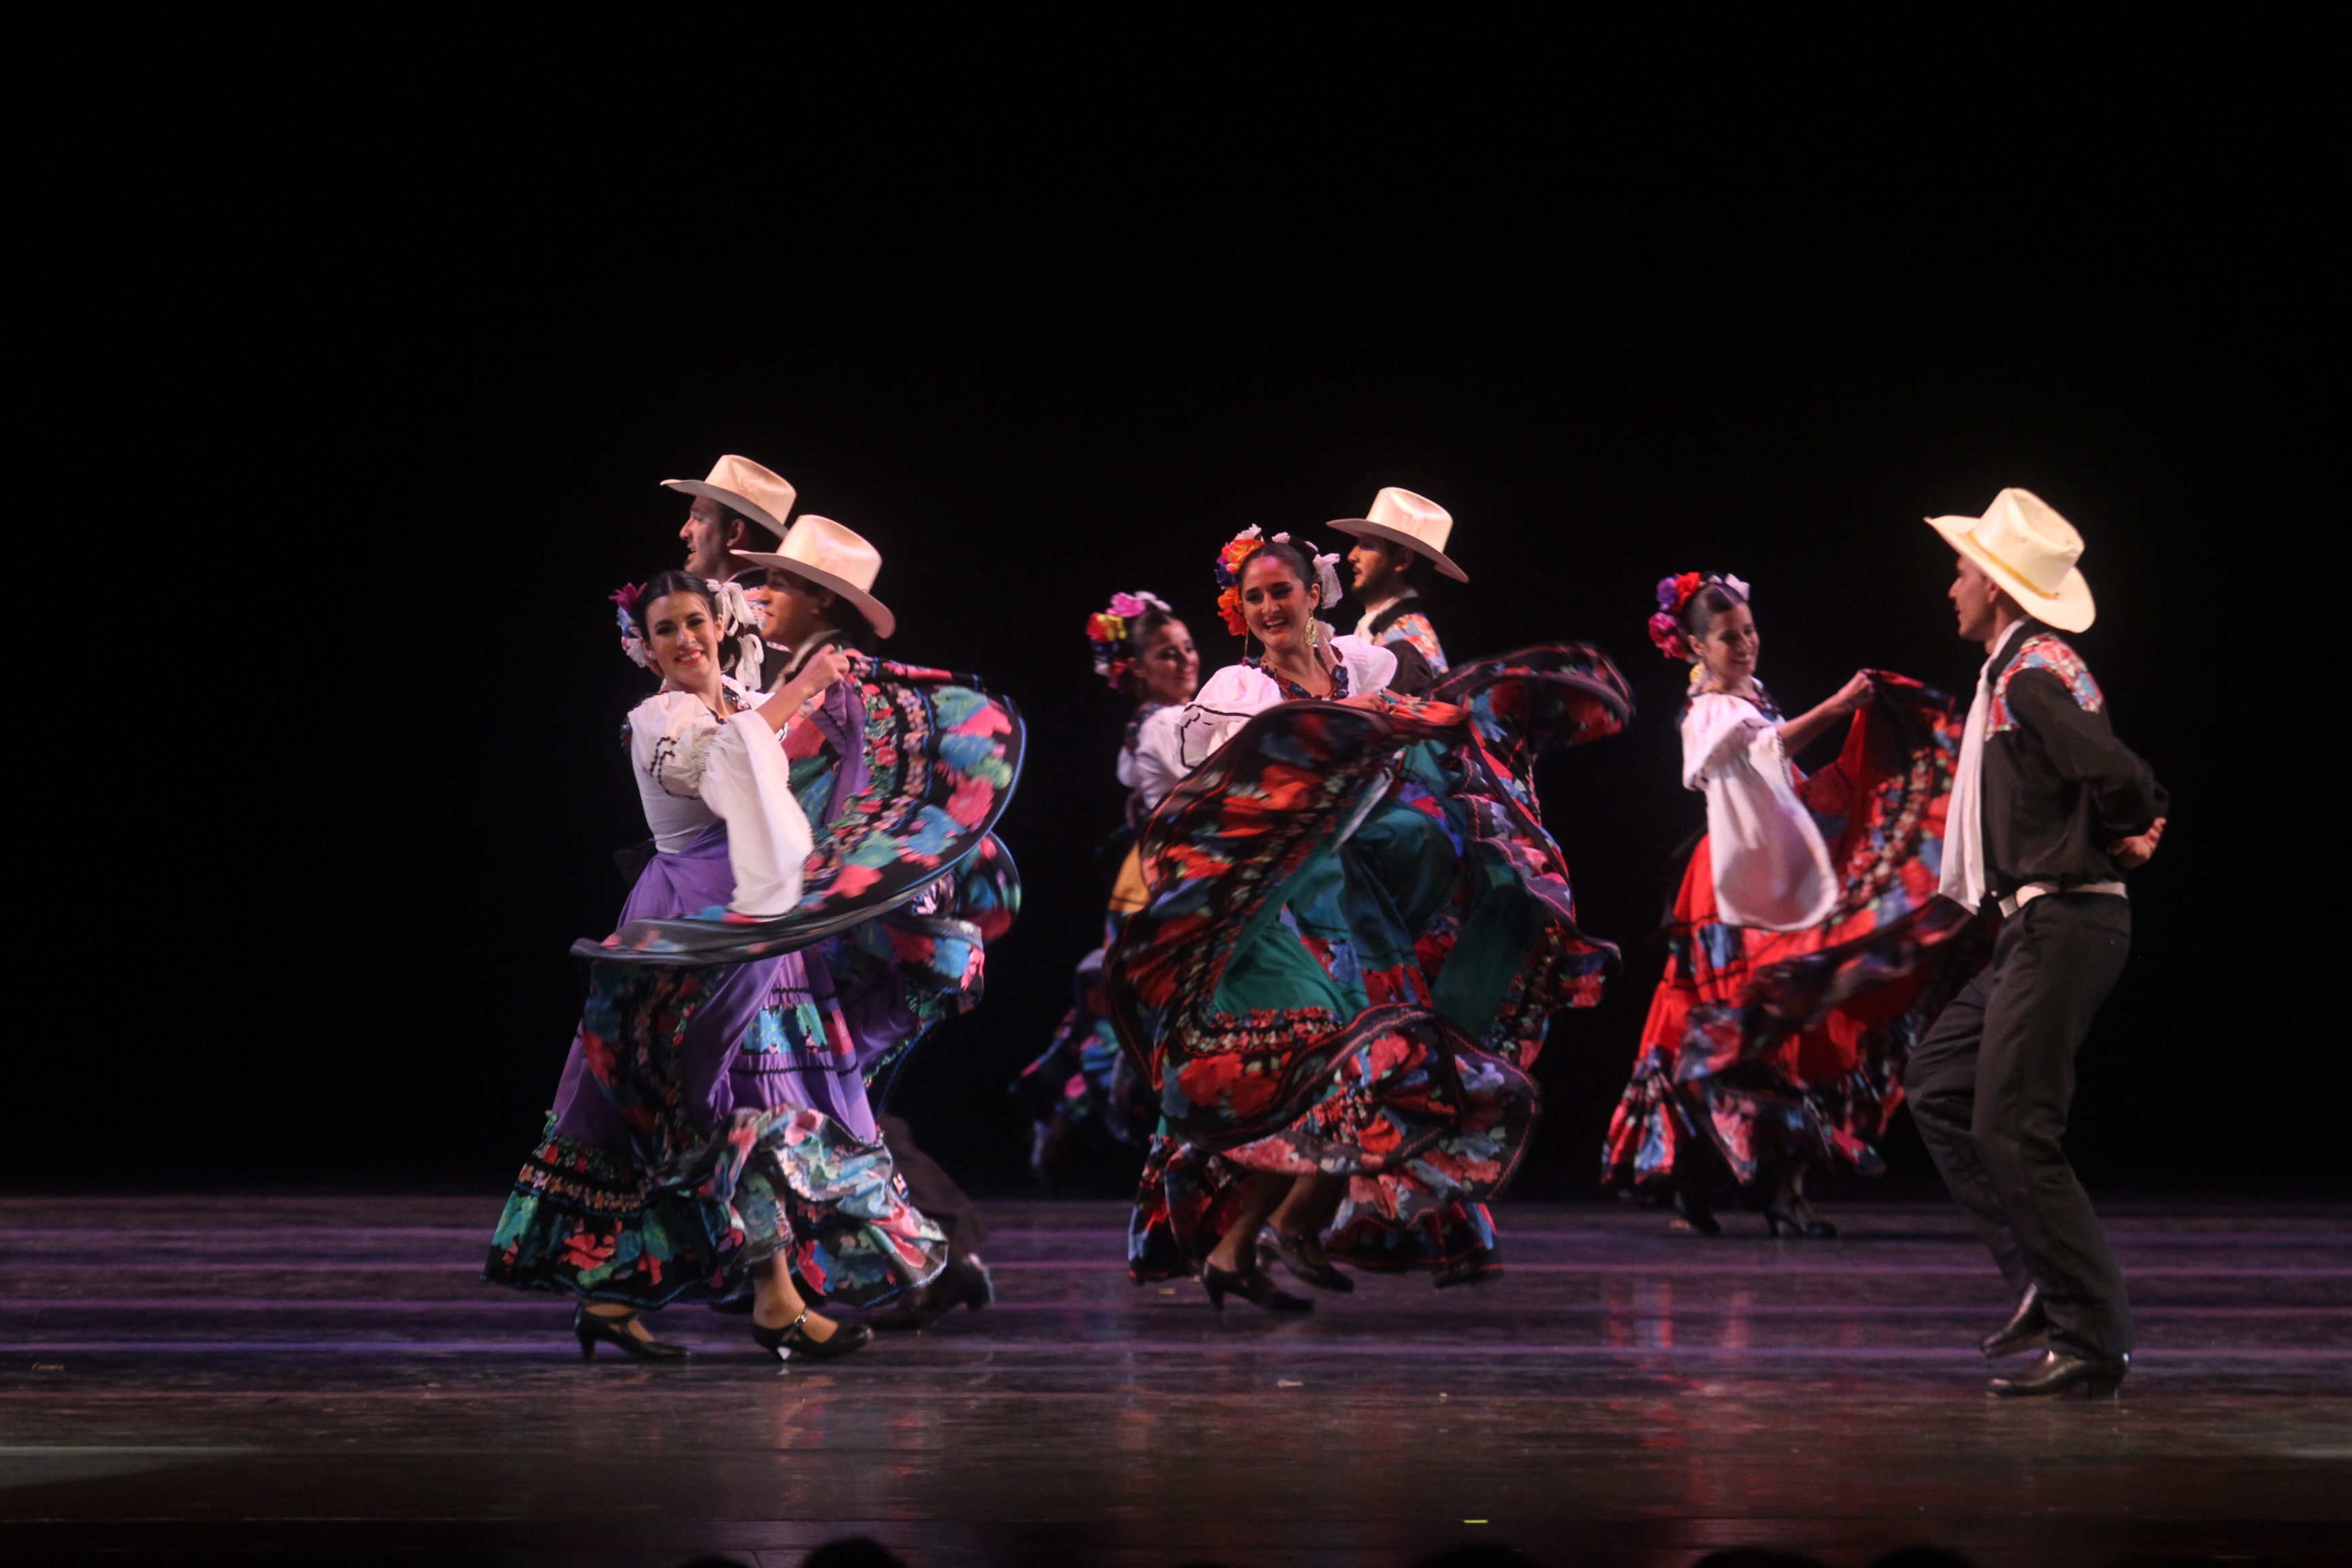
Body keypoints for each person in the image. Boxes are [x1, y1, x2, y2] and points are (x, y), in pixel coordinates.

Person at [1113, 526, 1632, 1307]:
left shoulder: (1361, 660)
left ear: (1314, 592)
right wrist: (1361, 725)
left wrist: (1451, 719)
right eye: (1253, 598)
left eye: (1281, 591)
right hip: (1287, 904)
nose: (1268, 608)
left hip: (1361, 895)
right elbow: (1237, 788)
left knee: (1376, 1069)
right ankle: (1267, 1231)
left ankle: (1247, 1244)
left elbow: (1431, 707)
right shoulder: (1239, 691)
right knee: (1325, 1070)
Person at [485, 571, 933, 1362]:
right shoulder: (660, 720)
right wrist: (800, 690)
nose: (686, 640)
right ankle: (767, 1301)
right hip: (695, 926)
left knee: (749, 1105)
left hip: (760, 926)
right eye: (666, 629)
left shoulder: (743, 699)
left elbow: (803, 759)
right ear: (644, 647)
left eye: (695, 621)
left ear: (719, 625)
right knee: (707, 1105)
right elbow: (729, 766)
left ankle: (634, 1301)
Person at [1599, 572, 1991, 1235]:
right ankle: (1719, 1180)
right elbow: (1765, 751)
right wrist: (1839, 706)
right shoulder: (1708, 712)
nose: (1745, 645)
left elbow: (1779, 776)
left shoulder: (1751, 694)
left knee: (1781, 1024)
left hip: (1774, 872)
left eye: (1749, 631)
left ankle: (1756, 1184)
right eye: (1729, 638)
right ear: (1695, 647)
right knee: (1756, 1024)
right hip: (1734, 888)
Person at [1905, 489, 2165, 1399]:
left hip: (2066, 921)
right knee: (1939, 1082)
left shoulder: (2028, 677)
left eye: (1963, 571)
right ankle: (2043, 1289)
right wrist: (2129, 818)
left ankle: (2091, 1334)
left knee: (2015, 1125)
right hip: (2037, 926)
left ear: (1996, 586)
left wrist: (2134, 824)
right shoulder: (2026, 667)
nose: (1953, 587)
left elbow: (2120, 773)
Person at [730, 515, 1005, 1323]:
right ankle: (897, 1266)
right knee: (829, 1101)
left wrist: (845, 898)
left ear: (821, 599)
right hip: (818, 924)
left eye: (779, 583)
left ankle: (925, 1265)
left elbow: (873, 806)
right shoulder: (803, 680)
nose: (763, 594)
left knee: (824, 1102)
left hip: (851, 931)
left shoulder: (847, 688)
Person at [1014, 591, 1201, 1181]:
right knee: (1148, 1013)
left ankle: (1068, 1098)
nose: (1186, 661)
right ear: (1138, 669)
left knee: (1129, 1010)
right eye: (1168, 655)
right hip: (1166, 884)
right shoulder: (1163, 725)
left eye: (1188, 648)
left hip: (1157, 876)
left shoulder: (1171, 719)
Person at [664, 454, 800, 689]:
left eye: (698, 518)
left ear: (734, 533)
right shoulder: (795, 613)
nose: (684, 531)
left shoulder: (726, 615)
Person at [1328, 487, 1467, 698]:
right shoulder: (1389, 630)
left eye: (1368, 545)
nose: (1352, 555)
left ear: (1403, 559)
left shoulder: (1406, 645)